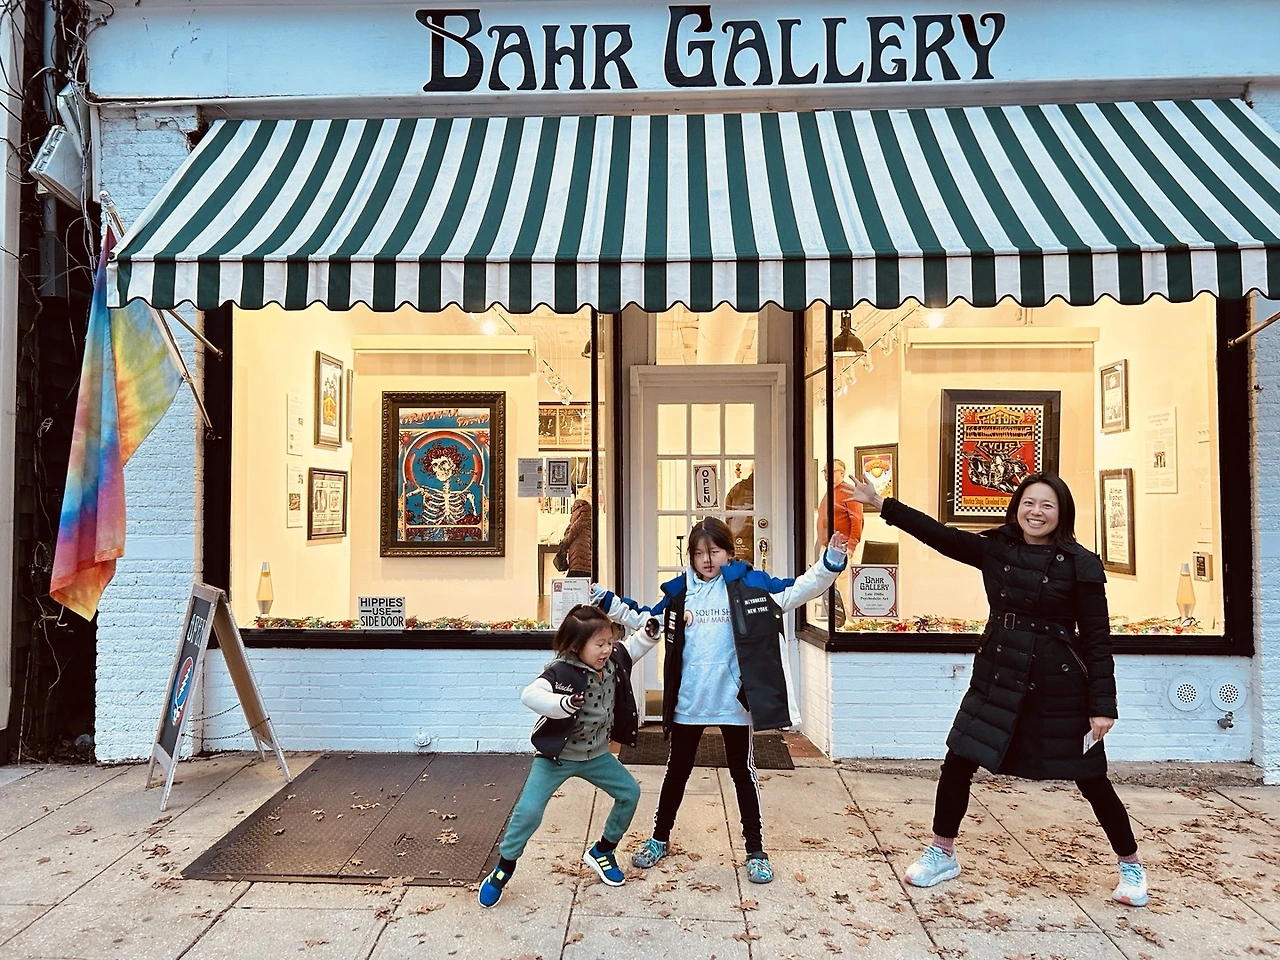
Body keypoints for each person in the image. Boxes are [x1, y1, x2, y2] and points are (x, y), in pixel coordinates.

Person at [845, 471, 1148, 908]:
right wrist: (882, 505)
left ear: (1062, 512)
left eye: (1047, 505)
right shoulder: (998, 548)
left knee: (1091, 778)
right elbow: (941, 536)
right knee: (958, 760)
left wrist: (1103, 705)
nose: (1036, 512)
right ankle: (942, 852)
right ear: (1016, 508)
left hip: (1058, 685)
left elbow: (1098, 641)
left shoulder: (1080, 564)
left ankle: (1131, 866)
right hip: (998, 677)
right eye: (1029, 503)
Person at [592, 517, 849, 884]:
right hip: (690, 700)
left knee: (742, 772)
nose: (707, 560)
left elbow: (798, 590)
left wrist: (830, 563)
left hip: (734, 702)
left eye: (713, 551)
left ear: (729, 551)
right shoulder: (680, 593)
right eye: (699, 553)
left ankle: (755, 850)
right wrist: (608, 602)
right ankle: (659, 839)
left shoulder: (750, 587)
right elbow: (645, 620)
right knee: (676, 771)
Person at [477, 605, 659, 908]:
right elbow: (530, 694)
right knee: (529, 811)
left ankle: (603, 851)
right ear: (577, 646)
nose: (607, 649)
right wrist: (561, 704)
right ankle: (503, 869)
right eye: (599, 644)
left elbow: (635, 646)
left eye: (610, 642)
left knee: (629, 793)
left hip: (596, 755)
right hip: (557, 757)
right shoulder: (561, 671)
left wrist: (651, 632)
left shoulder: (614, 659)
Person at [559, 484, 594, 578]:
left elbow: (571, 529)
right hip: (583, 553)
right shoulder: (587, 510)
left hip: (575, 552)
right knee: (581, 580)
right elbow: (575, 529)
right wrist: (565, 542)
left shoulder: (577, 510)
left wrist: (565, 542)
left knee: (574, 581)